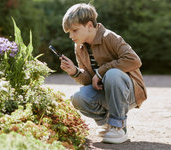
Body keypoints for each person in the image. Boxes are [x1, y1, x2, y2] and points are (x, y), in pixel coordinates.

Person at [59, 3, 147, 144]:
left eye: (74, 30)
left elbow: (134, 60)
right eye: (69, 32)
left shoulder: (109, 37)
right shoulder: (79, 47)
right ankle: (106, 123)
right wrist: (74, 71)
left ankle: (118, 126)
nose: (71, 36)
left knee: (112, 74)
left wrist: (101, 71)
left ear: (89, 25)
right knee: (77, 98)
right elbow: (89, 81)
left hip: (129, 93)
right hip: (107, 93)